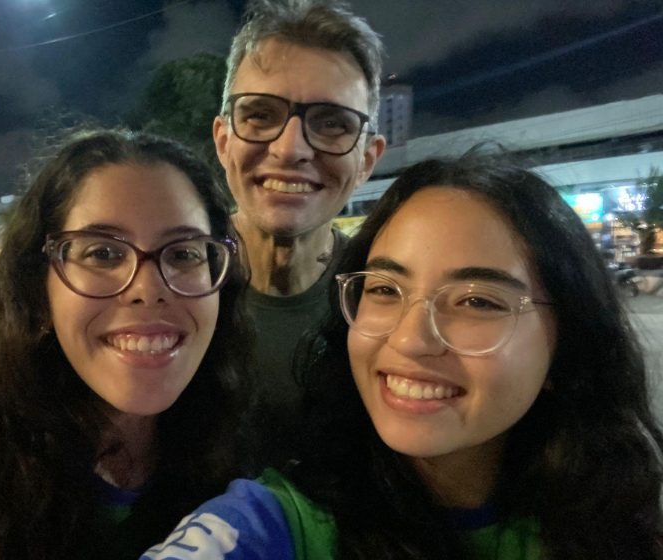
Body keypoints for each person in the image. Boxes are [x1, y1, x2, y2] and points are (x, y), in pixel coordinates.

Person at [141, 153, 663, 560]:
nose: (411, 340)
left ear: (567, 348)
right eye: (386, 289)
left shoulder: (622, 517)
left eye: (478, 301)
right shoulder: (284, 523)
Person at [0, 130, 254, 560]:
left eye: (184, 253)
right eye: (103, 253)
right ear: (39, 291)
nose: (148, 288)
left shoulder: (246, 484)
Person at [214, 0, 386, 467]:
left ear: (367, 159)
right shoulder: (164, 288)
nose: (290, 149)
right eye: (260, 115)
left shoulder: (389, 308)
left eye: (332, 124)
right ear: (223, 139)